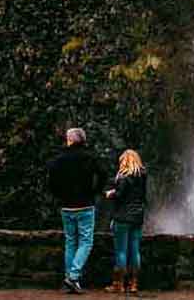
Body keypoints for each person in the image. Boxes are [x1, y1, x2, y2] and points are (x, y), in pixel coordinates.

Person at [47, 126, 104, 294]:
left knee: (71, 242)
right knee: (86, 241)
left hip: (66, 206)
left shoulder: (59, 159)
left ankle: (70, 279)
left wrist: (59, 195)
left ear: (70, 140)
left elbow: (51, 181)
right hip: (85, 204)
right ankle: (73, 277)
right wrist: (95, 191)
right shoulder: (90, 157)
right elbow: (103, 174)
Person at [104, 149, 148, 295]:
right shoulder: (142, 176)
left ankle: (119, 284)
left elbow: (120, 195)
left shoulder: (123, 177)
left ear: (124, 161)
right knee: (135, 251)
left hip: (122, 217)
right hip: (137, 217)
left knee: (121, 251)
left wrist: (111, 194)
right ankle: (134, 284)